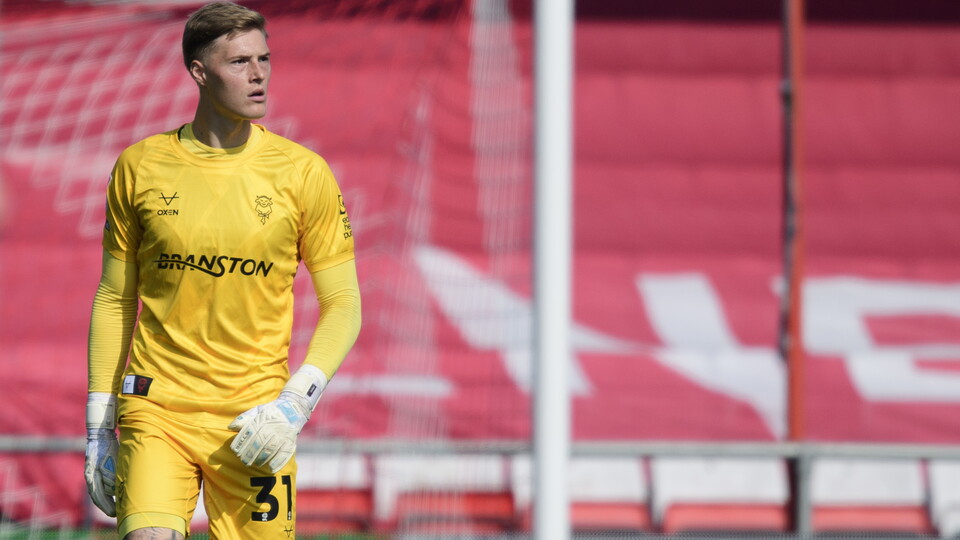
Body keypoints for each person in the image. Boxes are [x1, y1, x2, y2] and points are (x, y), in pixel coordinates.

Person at [83, 2, 362, 538]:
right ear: (199, 72)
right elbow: (115, 298)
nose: (259, 75)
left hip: (255, 421)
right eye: (239, 62)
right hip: (156, 405)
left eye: (265, 59)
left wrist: (293, 406)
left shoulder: (303, 173)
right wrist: (99, 425)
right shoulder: (140, 166)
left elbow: (344, 304)